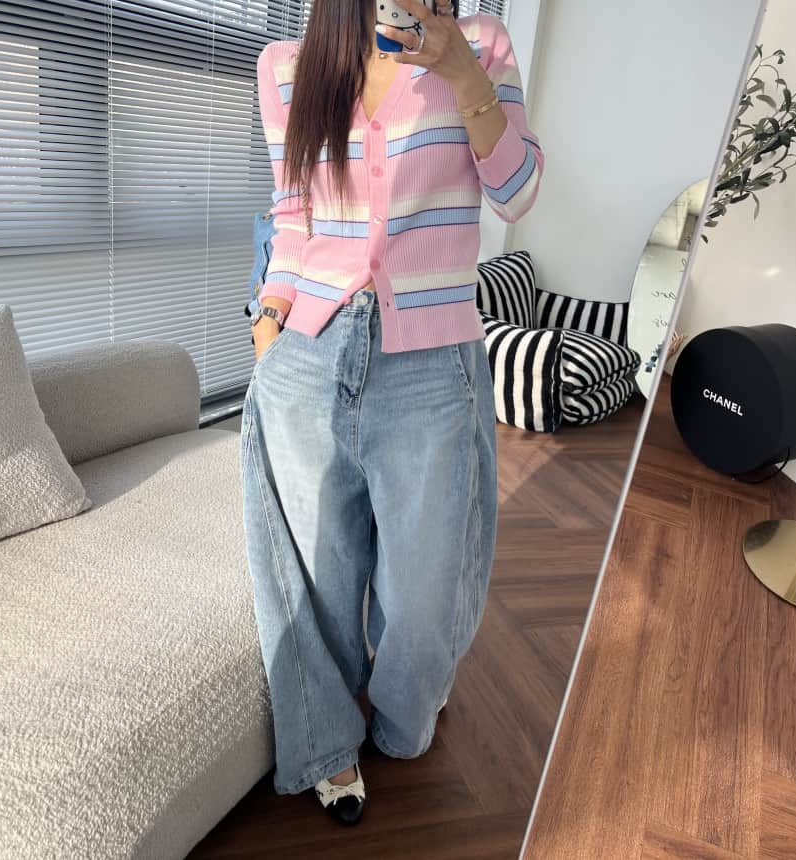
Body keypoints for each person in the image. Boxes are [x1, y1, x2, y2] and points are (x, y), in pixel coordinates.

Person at [241, 0, 543, 826]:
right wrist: (267, 325)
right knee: (316, 573)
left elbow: (516, 194)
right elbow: (292, 222)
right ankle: (327, 746)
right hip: (309, 349)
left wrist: (460, 71)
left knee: (427, 587)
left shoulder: (481, 44)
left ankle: (404, 719)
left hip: (432, 360)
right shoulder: (285, 68)